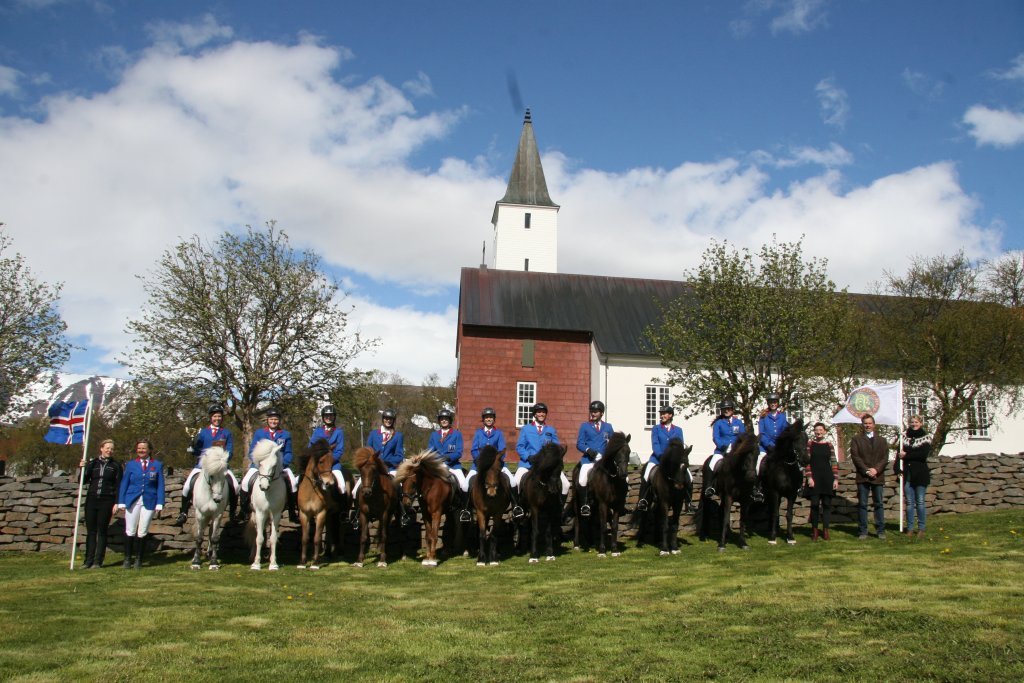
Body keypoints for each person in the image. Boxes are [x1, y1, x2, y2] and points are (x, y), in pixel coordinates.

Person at [176, 403, 238, 525]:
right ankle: (183, 512)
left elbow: (230, 450)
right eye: (215, 416)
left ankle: (232, 513)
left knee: (235, 486)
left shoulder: (226, 433)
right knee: (187, 486)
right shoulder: (203, 432)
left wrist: (223, 460)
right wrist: (192, 447)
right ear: (210, 417)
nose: (217, 419)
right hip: (202, 466)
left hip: (220, 466)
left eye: (219, 416)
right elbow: (197, 451)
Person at [354, 408, 409, 525]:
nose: (388, 421)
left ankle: (402, 514)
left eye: (390, 419)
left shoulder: (398, 436)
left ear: (393, 420)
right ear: (383, 419)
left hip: (390, 469)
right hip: (373, 469)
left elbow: (399, 456)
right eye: (386, 418)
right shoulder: (374, 434)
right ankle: (357, 515)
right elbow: (367, 451)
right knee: (356, 489)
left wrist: (385, 461)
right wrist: (373, 462)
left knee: (398, 488)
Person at [241, 408, 297, 523]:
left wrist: (282, 463)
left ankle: (292, 512)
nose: (273, 421)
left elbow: (288, 453)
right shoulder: (260, 433)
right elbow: (252, 451)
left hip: (280, 466)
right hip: (260, 466)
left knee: (293, 483)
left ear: (279, 420)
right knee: (245, 482)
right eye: (271, 419)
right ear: (267, 420)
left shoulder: (285, 435)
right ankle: (244, 511)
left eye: (276, 419)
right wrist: (258, 463)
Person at [468, 407, 524, 518]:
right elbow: (474, 450)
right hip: (479, 465)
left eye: (491, 417)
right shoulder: (478, 433)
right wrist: (480, 461)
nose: (489, 419)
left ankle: (515, 507)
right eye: (486, 417)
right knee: (466, 484)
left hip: (497, 465)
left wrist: (496, 460)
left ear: (494, 419)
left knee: (513, 481)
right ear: (483, 419)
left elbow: (502, 449)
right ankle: (466, 509)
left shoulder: (498, 433)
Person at [117, 439, 165, 570]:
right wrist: (121, 501)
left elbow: (160, 484)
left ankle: (139, 559)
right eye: (139, 448)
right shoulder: (131, 465)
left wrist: (160, 502)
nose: (141, 450)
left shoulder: (157, 465)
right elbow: (124, 483)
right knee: (130, 529)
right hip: (132, 500)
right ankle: (127, 559)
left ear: (149, 450)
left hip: (149, 500)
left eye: (144, 448)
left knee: (143, 530)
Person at [79, 438, 123, 569]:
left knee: (102, 531)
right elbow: (82, 480)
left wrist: (117, 503)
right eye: (107, 448)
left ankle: (98, 561)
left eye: (112, 449)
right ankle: (88, 560)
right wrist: (82, 468)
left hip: (107, 500)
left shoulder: (116, 465)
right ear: (101, 448)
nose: (109, 450)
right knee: (91, 531)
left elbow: (119, 485)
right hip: (92, 500)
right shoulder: (93, 463)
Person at [849, 414, 890, 540]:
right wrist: (866, 470)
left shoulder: (882, 440)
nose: (867, 425)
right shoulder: (856, 439)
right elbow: (855, 457)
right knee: (862, 504)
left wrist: (876, 469)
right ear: (862, 425)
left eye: (869, 423)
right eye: (865, 423)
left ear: (874, 424)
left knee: (879, 504)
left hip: (878, 476)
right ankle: (863, 531)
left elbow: (885, 457)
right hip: (863, 476)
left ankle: (880, 531)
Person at [637, 405, 684, 512]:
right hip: (657, 459)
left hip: (673, 462)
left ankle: (688, 501)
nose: (662, 415)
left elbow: (680, 446)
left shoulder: (678, 430)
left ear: (670, 415)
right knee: (646, 475)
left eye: (664, 413)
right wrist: (661, 456)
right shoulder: (656, 428)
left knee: (688, 477)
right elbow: (655, 444)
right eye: (661, 414)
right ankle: (643, 500)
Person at [513, 402, 568, 495]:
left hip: (547, 466)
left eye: (543, 412)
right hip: (528, 464)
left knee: (566, 484)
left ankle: (560, 504)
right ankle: (517, 503)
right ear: (534, 414)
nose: (541, 414)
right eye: (539, 412)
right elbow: (520, 447)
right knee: (516, 482)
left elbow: (556, 448)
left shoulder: (551, 430)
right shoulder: (525, 429)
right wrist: (528, 457)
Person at [428, 408, 469, 521]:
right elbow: (430, 451)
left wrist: (448, 458)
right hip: (437, 466)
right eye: (442, 419)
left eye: (446, 419)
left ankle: (465, 510)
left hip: (453, 466)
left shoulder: (456, 434)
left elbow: (459, 452)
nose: (444, 420)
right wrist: (437, 459)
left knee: (464, 485)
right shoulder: (434, 435)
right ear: (439, 421)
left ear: (450, 420)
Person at [574, 400, 614, 517]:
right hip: (588, 460)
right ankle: (585, 505)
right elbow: (579, 444)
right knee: (582, 480)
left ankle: (614, 504)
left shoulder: (608, 427)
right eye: (592, 411)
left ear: (601, 413)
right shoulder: (585, 426)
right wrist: (588, 450)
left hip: (603, 461)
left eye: (596, 411)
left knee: (617, 477)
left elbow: (612, 443)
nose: (593, 413)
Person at [897, 414, 932, 538]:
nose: (914, 424)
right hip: (908, 475)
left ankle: (921, 528)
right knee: (909, 503)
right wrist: (897, 469)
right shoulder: (903, 437)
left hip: (920, 474)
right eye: (912, 422)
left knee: (920, 502)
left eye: (916, 422)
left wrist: (906, 455)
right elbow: (898, 454)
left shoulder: (926, 437)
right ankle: (910, 528)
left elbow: (922, 455)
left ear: (921, 423)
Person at [804, 422, 839, 541]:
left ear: (824, 431)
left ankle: (825, 530)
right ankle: (814, 530)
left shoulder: (829, 445)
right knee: (814, 505)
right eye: (816, 430)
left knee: (826, 505)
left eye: (820, 430)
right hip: (814, 478)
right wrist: (809, 477)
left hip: (827, 478)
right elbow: (807, 462)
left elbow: (834, 463)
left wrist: (835, 479)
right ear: (814, 432)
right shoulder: (810, 444)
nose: (818, 432)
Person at [704, 399, 745, 498]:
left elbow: (743, 437)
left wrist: (738, 447)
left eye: (728, 408)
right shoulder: (718, 423)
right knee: (712, 464)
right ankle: (710, 487)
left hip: (736, 451)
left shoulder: (738, 422)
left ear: (732, 409)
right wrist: (723, 446)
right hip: (721, 451)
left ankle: (751, 488)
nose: (726, 410)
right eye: (724, 409)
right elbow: (716, 438)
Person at [309, 404, 349, 496]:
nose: (328, 418)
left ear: (334, 417)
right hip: (318, 463)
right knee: (300, 480)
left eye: (331, 415)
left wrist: (329, 460)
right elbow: (311, 447)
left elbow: (339, 451)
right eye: (326, 416)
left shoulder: (339, 432)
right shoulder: (317, 431)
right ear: (323, 417)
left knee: (342, 486)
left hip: (333, 464)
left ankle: (343, 505)